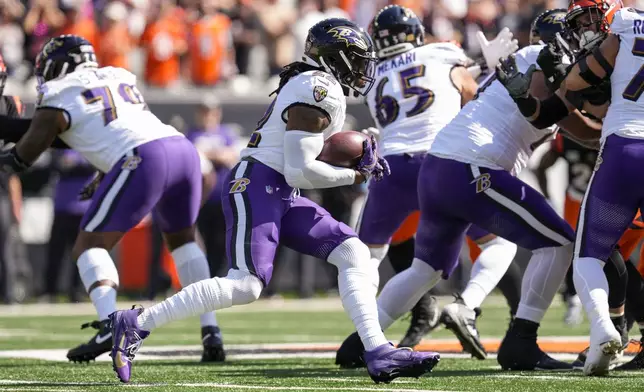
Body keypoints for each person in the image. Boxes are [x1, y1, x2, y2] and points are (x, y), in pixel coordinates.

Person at [108, 18, 439, 384]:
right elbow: (300, 171)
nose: (362, 68)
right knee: (246, 285)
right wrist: (356, 175)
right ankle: (136, 322)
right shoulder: (317, 86)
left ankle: (377, 351)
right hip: (257, 183)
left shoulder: (319, 84)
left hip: (279, 188)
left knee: (354, 253)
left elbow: (298, 172)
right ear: (335, 57)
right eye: (356, 59)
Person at [0, 35, 224, 364]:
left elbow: (28, 151)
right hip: (182, 153)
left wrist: (7, 158)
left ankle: (110, 325)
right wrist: (107, 170)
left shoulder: (60, 92)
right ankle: (211, 331)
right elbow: (115, 127)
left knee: (89, 245)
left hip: (145, 158)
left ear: (58, 66)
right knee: (184, 241)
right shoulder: (118, 75)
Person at [335, 4, 520, 366]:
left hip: (390, 170)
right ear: (416, 34)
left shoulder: (372, 78)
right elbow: (469, 94)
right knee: (500, 244)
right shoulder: (443, 51)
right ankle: (467, 306)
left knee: (370, 261)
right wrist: (495, 69)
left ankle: (362, 338)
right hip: (438, 163)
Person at [495, 0, 644, 377]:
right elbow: (555, 113)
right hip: (622, 146)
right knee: (618, 259)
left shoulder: (619, 32)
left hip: (624, 152)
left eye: (592, 19)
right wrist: (527, 94)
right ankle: (617, 327)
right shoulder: (623, 30)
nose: (586, 28)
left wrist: (567, 75)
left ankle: (607, 329)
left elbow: (578, 90)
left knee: (590, 256)